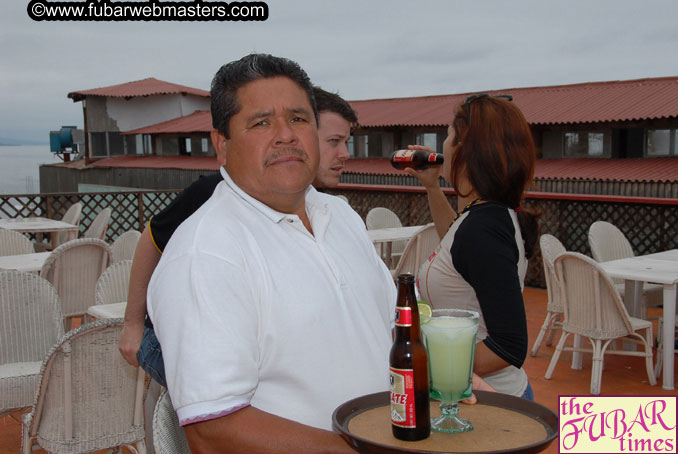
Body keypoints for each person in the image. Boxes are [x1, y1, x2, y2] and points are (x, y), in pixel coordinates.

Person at [147, 53, 396, 452]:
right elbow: (215, 431)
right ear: (221, 145)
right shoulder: (206, 254)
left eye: (298, 118)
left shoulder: (341, 216)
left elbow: (390, 327)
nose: (286, 135)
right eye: (261, 122)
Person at [118, 87, 358, 386]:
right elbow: (151, 238)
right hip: (176, 341)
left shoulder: (320, 208)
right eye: (334, 142)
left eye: (346, 142)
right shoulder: (213, 194)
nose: (345, 154)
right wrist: (132, 325)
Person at [406, 93, 538, 400]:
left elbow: (508, 345)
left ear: (468, 151)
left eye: (449, 136)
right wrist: (432, 186)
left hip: (488, 399)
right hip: (482, 392)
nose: (444, 146)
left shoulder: (484, 228)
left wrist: (429, 365)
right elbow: (457, 245)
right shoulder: (485, 216)